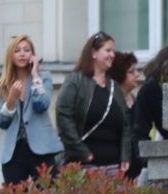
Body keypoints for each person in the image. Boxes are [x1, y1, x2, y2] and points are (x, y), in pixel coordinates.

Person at [54, 32, 130, 174]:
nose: (112, 55)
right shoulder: (75, 81)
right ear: (94, 53)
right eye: (108, 50)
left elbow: (125, 125)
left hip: (114, 167)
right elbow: (63, 117)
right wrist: (82, 152)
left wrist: (125, 155)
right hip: (84, 167)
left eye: (113, 51)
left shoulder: (115, 87)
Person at [0, 34, 58, 186]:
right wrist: (11, 100)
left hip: (42, 149)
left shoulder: (44, 78)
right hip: (14, 152)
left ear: (32, 55)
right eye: (17, 50)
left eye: (26, 50)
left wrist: (35, 75)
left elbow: (42, 104)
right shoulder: (2, 85)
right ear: (11, 56)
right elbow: (1, 122)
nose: (22, 54)